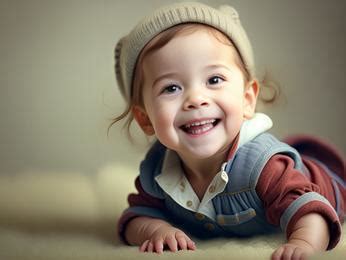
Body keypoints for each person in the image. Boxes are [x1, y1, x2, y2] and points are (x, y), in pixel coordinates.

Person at [111, 2, 345, 259]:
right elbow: (135, 218)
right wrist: (156, 230)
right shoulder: (157, 172)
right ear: (145, 118)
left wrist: (303, 244)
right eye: (171, 88)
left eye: (214, 80)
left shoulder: (265, 167)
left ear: (247, 99)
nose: (195, 98)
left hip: (330, 184)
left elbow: (310, 210)